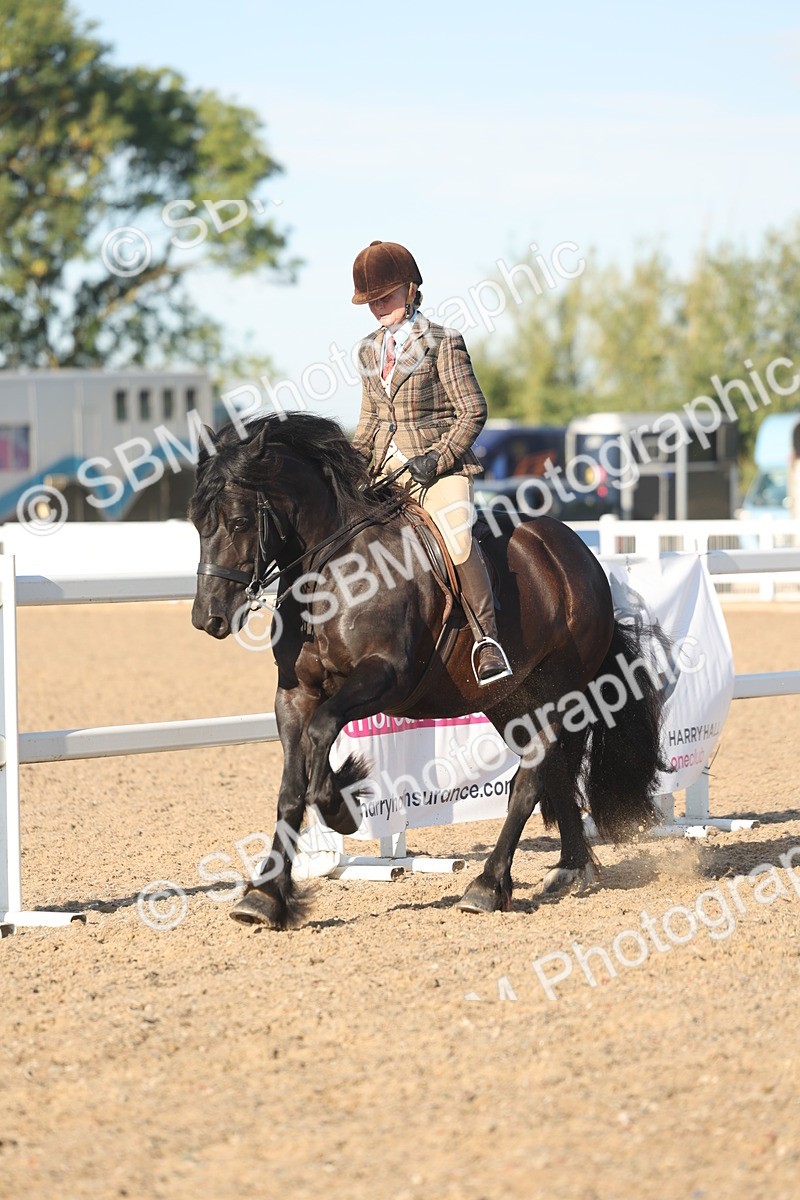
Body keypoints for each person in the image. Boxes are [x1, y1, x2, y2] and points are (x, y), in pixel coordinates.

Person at [351, 239, 512, 686]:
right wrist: (351, 469)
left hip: (439, 467)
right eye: (370, 301)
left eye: (384, 297)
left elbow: (472, 410)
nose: (377, 307)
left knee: (456, 541)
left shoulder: (443, 342)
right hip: (386, 468)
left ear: (410, 289)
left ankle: (486, 640)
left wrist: (438, 458)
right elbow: (370, 420)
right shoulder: (367, 350)